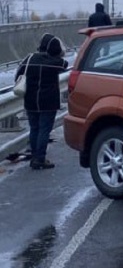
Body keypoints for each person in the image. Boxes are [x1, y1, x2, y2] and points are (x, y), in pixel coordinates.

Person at [15, 34, 68, 170]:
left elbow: (18, 75)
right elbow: (65, 64)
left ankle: (34, 156)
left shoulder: (29, 58)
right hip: (48, 102)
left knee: (34, 129)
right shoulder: (54, 62)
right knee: (44, 130)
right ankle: (40, 159)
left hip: (31, 101)